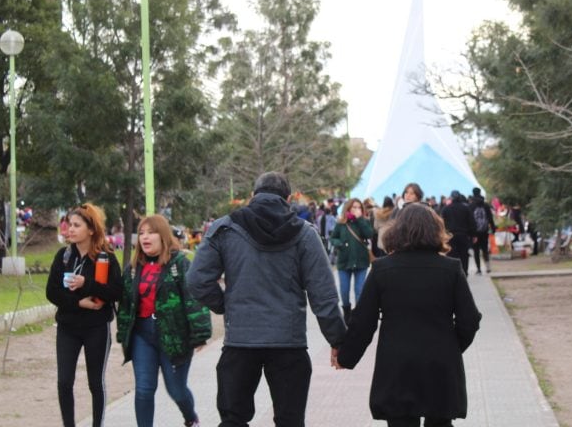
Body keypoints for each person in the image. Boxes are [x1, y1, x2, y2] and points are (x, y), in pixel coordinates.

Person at [186, 171, 347, 427]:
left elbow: (196, 280)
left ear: (253, 196)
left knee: (233, 419)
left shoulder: (225, 228)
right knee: (289, 420)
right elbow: (324, 295)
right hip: (288, 342)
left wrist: (225, 304)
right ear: (289, 198)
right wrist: (338, 340)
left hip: (240, 340)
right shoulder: (305, 234)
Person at [335, 203, 482, 427]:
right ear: (436, 231)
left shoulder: (382, 270)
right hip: (440, 364)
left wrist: (346, 356)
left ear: (398, 231)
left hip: (397, 365)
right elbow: (469, 320)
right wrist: (452, 347)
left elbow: (363, 322)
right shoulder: (451, 269)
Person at [116, 214, 211, 427]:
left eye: (151, 232)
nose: (145, 237)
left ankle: (191, 418)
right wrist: (123, 333)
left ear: (163, 235)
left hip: (174, 336)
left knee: (176, 389)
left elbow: (193, 297)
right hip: (143, 336)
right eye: (141, 233)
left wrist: (200, 333)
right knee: (144, 389)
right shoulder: (133, 268)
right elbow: (125, 302)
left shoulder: (179, 264)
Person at [45, 203, 123, 427]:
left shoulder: (105, 257)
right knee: (64, 382)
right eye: (69, 224)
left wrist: (87, 283)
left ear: (91, 229)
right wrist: (79, 302)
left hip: (96, 328)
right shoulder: (64, 256)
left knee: (95, 383)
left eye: (76, 225)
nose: (70, 229)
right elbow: (52, 292)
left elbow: (116, 291)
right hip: (68, 328)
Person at [329, 197, 375, 323]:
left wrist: (360, 219)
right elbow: (332, 238)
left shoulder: (364, 221)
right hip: (344, 261)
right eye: (354, 207)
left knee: (359, 291)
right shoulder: (341, 223)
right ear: (348, 208)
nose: (356, 209)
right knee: (344, 291)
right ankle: (347, 312)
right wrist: (340, 244)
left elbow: (369, 234)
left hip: (361, 261)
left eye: (359, 207)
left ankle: (358, 316)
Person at [441, 190, 474, 276]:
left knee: (452, 255)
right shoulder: (466, 208)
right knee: (464, 255)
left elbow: (441, 223)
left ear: (451, 198)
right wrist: (473, 235)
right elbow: (471, 222)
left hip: (450, 236)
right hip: (463, 235)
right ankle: (464, 272)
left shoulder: (446, 209)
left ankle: (453, 273)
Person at [469, 187, 496, 275]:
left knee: (476, 251)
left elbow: (469, 219)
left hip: (475, 232)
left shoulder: (471, 206)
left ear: (473, 193)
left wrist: (470, 232)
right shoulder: (486, 205)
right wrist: (493, 228)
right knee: (485, 249)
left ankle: (479, 269)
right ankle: (488, 267)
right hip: (485, 231)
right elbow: (490, 218)